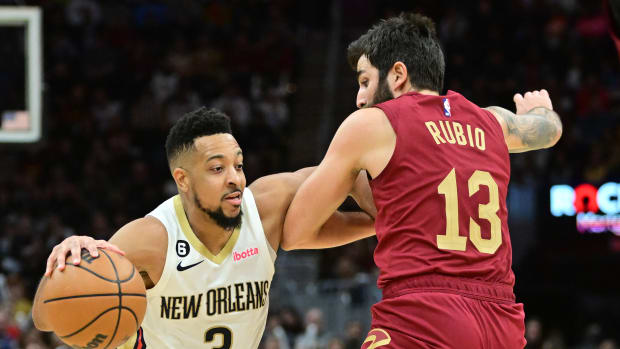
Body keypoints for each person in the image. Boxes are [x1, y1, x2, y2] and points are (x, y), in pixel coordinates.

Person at [282, 13, 562, 348]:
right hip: (501, 322)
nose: (359, 97)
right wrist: (540, 110)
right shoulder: (492, 122)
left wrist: (376, 214)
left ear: (398, 75)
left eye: (365, 81)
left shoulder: (370, 124)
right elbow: (550, 131)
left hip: (423, 316)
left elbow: (296, 233)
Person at [32, 107, 376, 349]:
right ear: (182, 179)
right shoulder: (151, 239)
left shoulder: (266, 208)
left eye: (238, 165)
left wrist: (388, 219)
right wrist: (65, 266)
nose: (234, 178)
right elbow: (45, 318)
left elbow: (348, 172)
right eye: (216, 169)